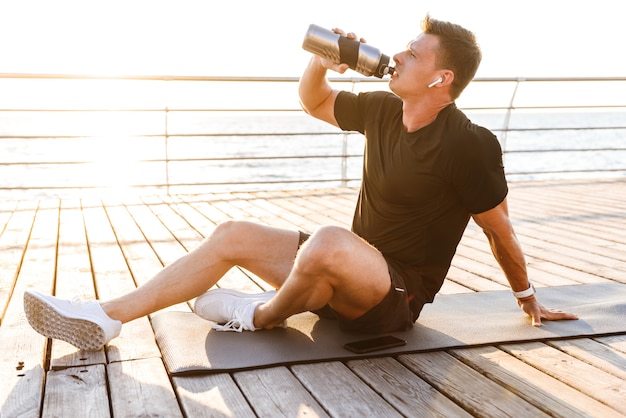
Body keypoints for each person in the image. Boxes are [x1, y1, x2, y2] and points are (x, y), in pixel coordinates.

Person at [24, 15, 578, 351]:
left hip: (393, 296)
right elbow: (313, 101)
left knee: (330, 240)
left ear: (441, 77)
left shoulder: (469, 142)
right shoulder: (384, 110)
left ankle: (257, 314)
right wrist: (322, 59)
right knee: (233, 232)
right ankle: (106, 315)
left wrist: (529, 300)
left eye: (412, 53)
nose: (399, 56)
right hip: (336, 273)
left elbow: (498, 229)